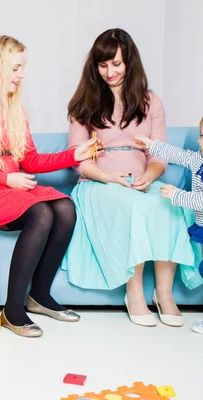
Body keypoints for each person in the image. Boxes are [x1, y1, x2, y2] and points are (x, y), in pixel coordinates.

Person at [0, 35, 98, 338]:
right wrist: (5, 178)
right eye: (16, 68)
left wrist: (73, 155)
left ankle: (39, 295)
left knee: (65, 208)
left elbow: (31, 160)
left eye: (22, 67)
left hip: (8, 186)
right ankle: (13, 311)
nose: (21, 75)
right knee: (41, 212)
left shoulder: (16, 109)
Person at [63, 28, 201, 328]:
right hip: (98, 184)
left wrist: (149, 178)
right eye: (103, 65)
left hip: (140, 181)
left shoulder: (151, 102)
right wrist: (108, 177)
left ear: (130, 62)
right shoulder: (82, 103)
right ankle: (133, 291)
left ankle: (163, 294)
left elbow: (159, 156)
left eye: (117, 63)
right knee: (134, 206)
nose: (109, 71)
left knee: (172, 202)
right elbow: (78, 159)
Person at [135, 119, 203, 332]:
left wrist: (178, 195)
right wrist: (151, 145)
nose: (200, 141)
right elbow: (178, 155)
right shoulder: (198, 159)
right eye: (201, 135)